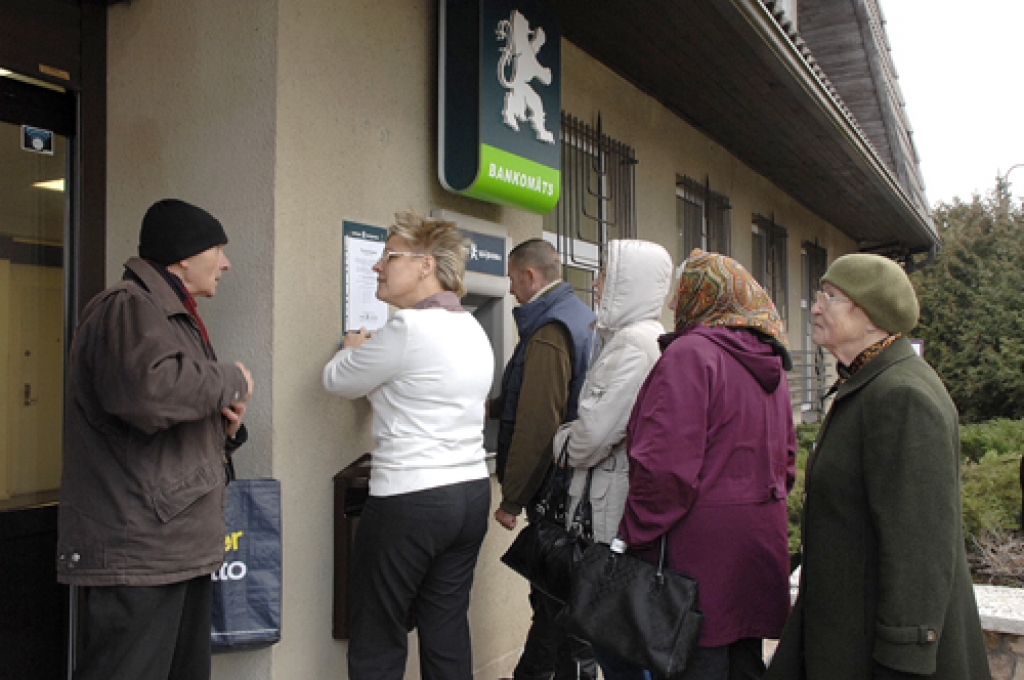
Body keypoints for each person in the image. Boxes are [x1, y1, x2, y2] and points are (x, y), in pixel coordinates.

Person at [765, 254, 990, 680]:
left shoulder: (902, 395)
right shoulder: (867, 382)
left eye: (830, 298)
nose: (815, 307)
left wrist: (905, 655)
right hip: (846, 637)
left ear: (870, 315)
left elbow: (920, 545)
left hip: (880, 656)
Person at [57, 199, 253, 680]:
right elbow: (149, 394)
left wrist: (224, 430)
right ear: (184, 256)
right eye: (217, 249)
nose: (225, 263)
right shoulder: (127, 307)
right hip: (140, 548)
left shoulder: (168, 314)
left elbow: (160, 420)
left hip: (171, 545)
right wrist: (231, 380)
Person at [322, 211, 494, 680]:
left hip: (410, 499)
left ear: (424, 265)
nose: (378, 266)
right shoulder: (473, 328)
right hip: (470, 493)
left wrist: (352, 346)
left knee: (378, 633)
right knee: (446, 629)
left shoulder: (407, 331)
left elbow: (337, 381)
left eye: (389, 256)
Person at [618, 249, 796, 680]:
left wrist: (633, 535)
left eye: (680, 295)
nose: (675, 307)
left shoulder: (690, 355)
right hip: (758, 545)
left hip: (699, 555)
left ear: (703, 295)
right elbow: (787, 463)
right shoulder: (770, 362)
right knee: (744, 662)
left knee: (698, 663)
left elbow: (663, 467)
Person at [551, 239, 673, 680]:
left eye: (605, 274)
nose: (596, 283)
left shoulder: (632, 346)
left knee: (614, 646)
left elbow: (592, 437)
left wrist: (560, 441)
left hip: (608, 514)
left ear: (628, 283)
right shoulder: (638, 339)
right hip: (614, 508)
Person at [491, 238, 597, 680]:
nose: (512, 289)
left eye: (513, 279)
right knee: (558, 607)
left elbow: (537, 423)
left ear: (530, 276)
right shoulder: (580, 316)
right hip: (576, 488)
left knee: (554, 605)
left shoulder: (550, 329)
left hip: (556, 491)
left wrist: (511, 499)